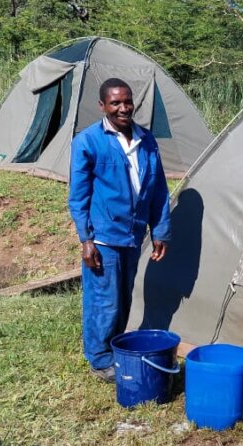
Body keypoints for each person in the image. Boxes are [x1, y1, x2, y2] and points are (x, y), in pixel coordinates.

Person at [68, 78, 172, 382]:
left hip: (133, 234)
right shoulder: (88, 142)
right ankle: (100, 360)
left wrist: (160, 231)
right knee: (104, 300)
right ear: (103, 106)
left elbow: (159, 189)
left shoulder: (146, 139)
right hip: (103, 237)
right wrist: (86, 240)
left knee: (124, 297)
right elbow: (78, 197)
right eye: (115, 103)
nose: (123, 108)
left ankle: (115, 350)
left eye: (127, 101)